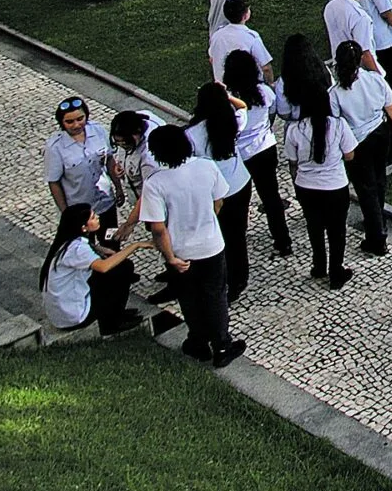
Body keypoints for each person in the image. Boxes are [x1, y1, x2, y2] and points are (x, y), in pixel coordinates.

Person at [140, 122, 242, 367]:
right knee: (215, 295)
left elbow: (158, 228)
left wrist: (170, 257)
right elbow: (219, 201)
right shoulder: (206, 167)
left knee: (189, 297)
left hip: (180, 251)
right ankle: (222, 345)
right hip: (210, 245)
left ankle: (197, 341)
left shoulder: (155, 183)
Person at [281, 59, 357, 290]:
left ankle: (318, 265)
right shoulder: (338, 126)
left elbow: (292, 162)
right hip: (334, 186)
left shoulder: (295, 131)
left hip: (306, 186)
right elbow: (350, 155)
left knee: (314, 227)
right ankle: (336, 270)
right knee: (337, 230)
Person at [333, 39, 392, 258]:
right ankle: (378, 218)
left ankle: (377, 235)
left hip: (357, 140)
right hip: (380, 133)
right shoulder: (374, 80)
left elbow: (336, 121)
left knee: (365, 187)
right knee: (378, 180)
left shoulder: (336, 92)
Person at [187, 80, 257, 305]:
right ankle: (240, 277)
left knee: (223, 235)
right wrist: (227, 95)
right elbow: (243, 107)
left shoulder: (192, 134)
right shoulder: (232, 121)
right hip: (240, 182)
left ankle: (225, 277)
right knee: (238, 234)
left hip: (215, 191)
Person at [222, 50, 292, 262]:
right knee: (271, 196)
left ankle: (237, 239)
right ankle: (283, 239)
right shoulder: (264, 92)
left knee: (239, 200)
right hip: (264, 148)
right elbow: (271, 112)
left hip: (241, 154)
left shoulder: (229, 99)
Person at [41, 202, 148, 336]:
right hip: (74, 315)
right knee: (123, 269)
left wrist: (101, 249)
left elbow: (90, 248)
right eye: (92, 217)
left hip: (62, 310)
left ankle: (117, 312)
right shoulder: (77, 249)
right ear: (84, 227)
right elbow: (103, 267)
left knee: (115, 270)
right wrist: (135, 246)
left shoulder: (68, 242)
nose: (97, 217)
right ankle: (112, 323)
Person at [44, 96, 110, 223]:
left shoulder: (98, 130)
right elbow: (54, 182)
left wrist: (118, 188)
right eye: (69, 122)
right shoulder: (55, 147)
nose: (76, 125)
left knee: (111, 240)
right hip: (79, 210)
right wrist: (65, 212)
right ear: (61, 123)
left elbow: (110, 158)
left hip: (105, 202)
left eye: (80, 119)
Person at [102, 111, 151, 249]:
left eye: (125, 143)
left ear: (137, 134)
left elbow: (149, 194)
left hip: (150, 204)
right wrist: (120, 166)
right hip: (138, 200)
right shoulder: (126, 137)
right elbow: (123, 155)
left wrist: (129, 224)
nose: (122, 145)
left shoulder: (148, 157)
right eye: (118, 142)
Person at [208, 0, 272, 86]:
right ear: (245, 16)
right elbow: (266, 67)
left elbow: (212, 58)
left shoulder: (217, 36)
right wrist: (270, 84)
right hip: (247, 89)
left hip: (222, 89)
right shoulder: (251, 38)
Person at [324, 0, 379, 66]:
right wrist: (378, 77)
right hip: (359, 70)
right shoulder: (360, 17)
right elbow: (365, 53)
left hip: (340, 64)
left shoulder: (330, 7)